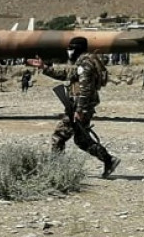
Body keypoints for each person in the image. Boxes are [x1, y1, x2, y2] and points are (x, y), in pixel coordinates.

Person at [32, 37, 120, 178]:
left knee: (59, 136)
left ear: (77, 48)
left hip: (79, 108)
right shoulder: (81, 62)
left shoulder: (85, 64)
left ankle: (56, 171)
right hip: (79, 107)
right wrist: (44, 68)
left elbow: (85, 89)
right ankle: (109, 160)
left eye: (71, 48)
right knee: (81, 140)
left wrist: (80, 110)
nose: (69, 51)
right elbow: (66, 74)